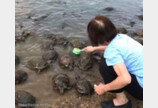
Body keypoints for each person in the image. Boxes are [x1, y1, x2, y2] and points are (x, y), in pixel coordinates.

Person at [83, 16, 143, 108]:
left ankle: (122, 101)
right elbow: (112, 46)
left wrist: (104, 88)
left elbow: (126, 79)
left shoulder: (112, 52)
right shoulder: (122, 37)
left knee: (105, 65)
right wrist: (94, 48)